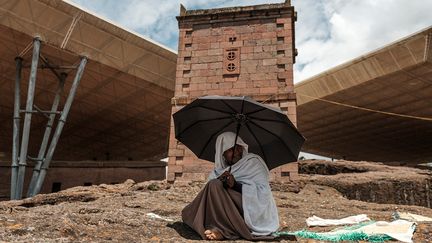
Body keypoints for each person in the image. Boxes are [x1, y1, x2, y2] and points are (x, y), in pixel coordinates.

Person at [182, 132, 279, 240]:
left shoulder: (253, 163)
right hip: (225, 208)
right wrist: (220, 181)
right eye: (231, 149)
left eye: (238, 148)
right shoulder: (218, 171)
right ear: (222, 153)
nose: (236, 152)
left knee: (214, 185)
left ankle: (223, 231)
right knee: (213, 184)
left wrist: (235, 185)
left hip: (248, 209)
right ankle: (219, 227)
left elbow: (263, 192)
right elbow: (206, 195)